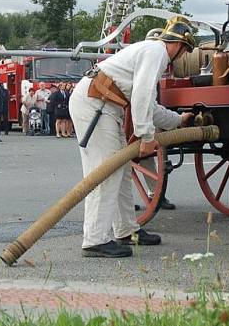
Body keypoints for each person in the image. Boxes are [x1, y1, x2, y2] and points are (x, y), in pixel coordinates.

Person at [70, 15, 195, 258]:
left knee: (121, 169)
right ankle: (95, 240)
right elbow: (142, 97)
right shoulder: (157, 53)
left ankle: (127, 230)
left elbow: (148, 105)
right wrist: (147, 136)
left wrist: (178, 121)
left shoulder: (150, 50)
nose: (182, 57)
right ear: (179, 46)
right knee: (105, 171)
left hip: (102, 104)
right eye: (185, 51)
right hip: (96, 105)